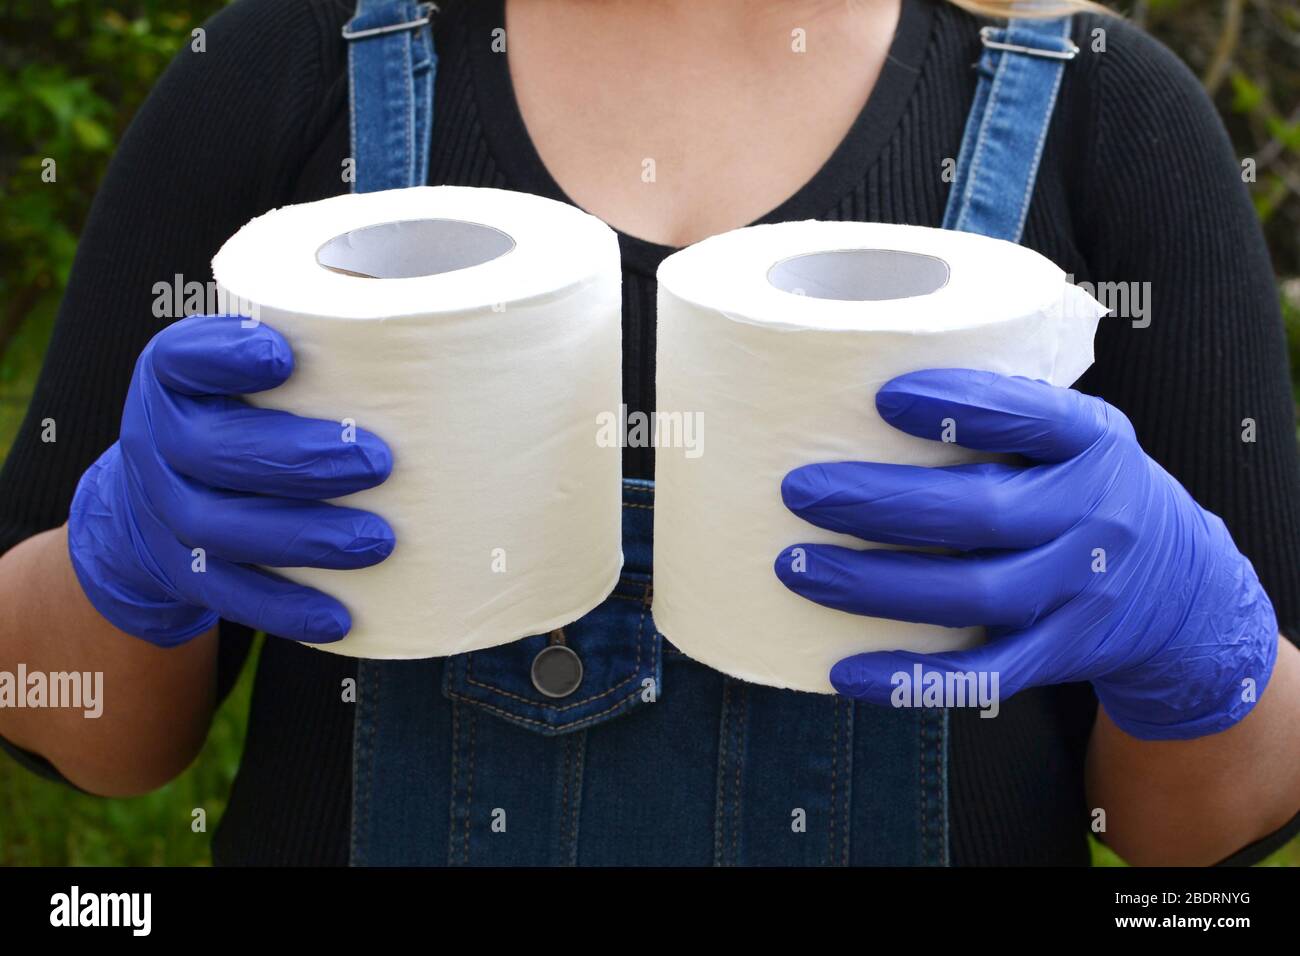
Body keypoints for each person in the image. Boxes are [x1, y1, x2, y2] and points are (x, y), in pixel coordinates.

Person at [1, 0, 1297, 867]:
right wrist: (126, 552)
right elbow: (82, 726)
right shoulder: (281, 69)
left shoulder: (1107, 119)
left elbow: (1203, 835)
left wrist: (1192, 633)